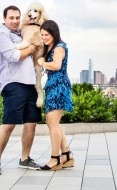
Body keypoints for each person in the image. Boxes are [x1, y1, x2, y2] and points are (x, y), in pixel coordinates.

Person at [0, 5, 42, 175]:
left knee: (31, 122)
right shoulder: (1, 35)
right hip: (13, 84)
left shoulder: (19, 32)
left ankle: (25, 159)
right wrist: (32, 48)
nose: (15, 21)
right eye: (11, 18)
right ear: (4, 18)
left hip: (30, 83)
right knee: (9, 123)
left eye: (17, 17)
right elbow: (14, 56)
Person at [37, 20, 74, 171]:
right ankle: (66, 155)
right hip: (53, 86)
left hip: (59, 87)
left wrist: (42, 62)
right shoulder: (52, 46)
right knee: (53, 123)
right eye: (42, 35)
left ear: (54, 33)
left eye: (46, 35)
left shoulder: (59, 47)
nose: (44, 37)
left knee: (52, 124)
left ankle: (55, 159)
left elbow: (57, 65)